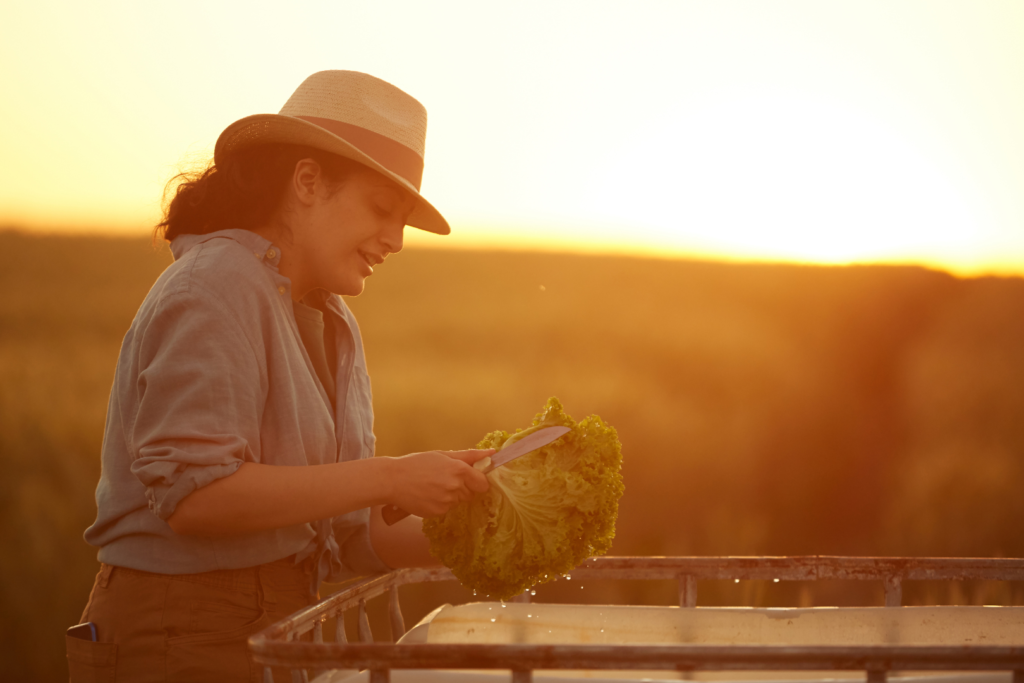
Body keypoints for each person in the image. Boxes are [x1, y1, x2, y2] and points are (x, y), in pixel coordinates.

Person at [67, 70, 492, 682]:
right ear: (308, 182)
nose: (397, 240)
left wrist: (492, 527)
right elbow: (195, 496)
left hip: (283, 627)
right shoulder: (216, 284)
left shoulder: (328, 318)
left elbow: (342, 535)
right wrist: (391, 477)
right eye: (382, 209)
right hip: (179, 630)